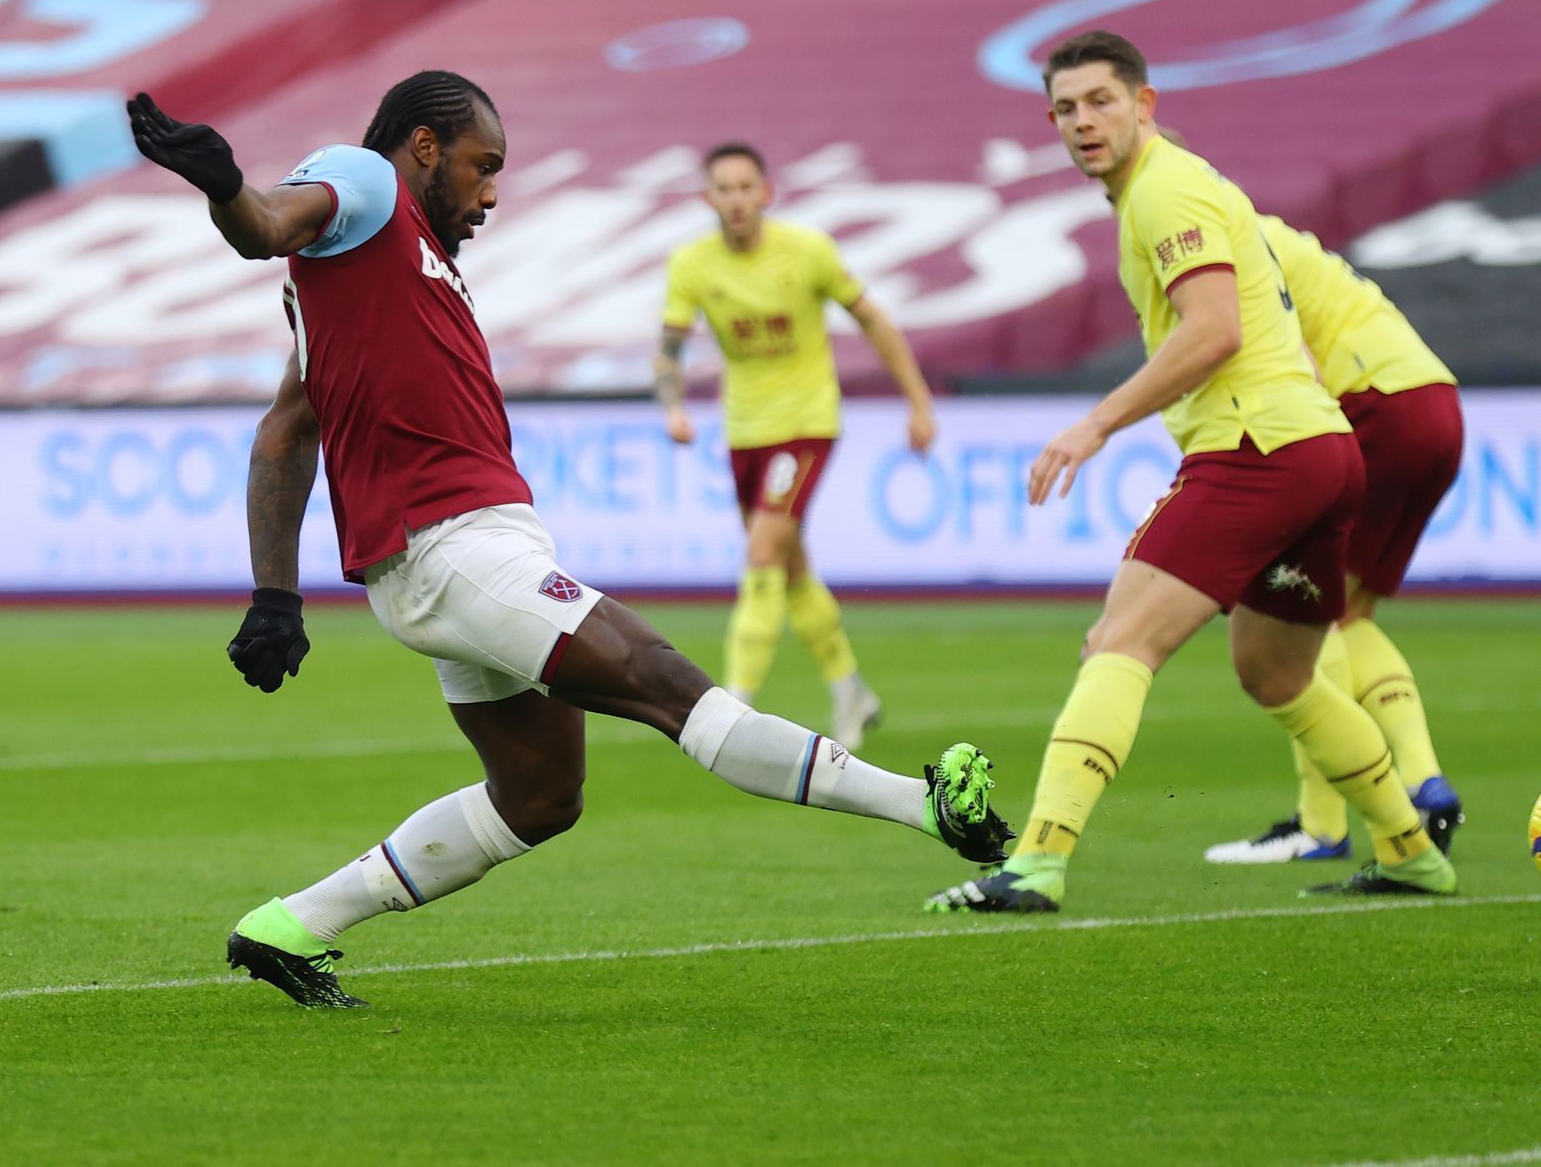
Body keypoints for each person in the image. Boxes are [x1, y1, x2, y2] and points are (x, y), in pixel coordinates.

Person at [126, 74, 1009, 1008]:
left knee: (541, 795)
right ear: (424, 147)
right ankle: (927, 807)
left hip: (462, 556)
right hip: (455, 550)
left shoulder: (366, 278)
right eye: (483, 165)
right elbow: (266, 225)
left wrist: (277, 596)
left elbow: (286, 429)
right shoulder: (368, 182)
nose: (492, 192)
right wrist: (227, 189)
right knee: (671, 686)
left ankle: (287, 928)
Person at [925, 32, 1457, 914]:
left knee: (1119, 641)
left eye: (1101, 101)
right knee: (1278, 673)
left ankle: (1037, 862)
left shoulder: (1163, 189)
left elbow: (1214, 331)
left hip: (1257, 450)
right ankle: (1409, 850)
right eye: (1066, 108)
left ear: (1145, 104)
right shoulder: (1166, 186)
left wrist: (1095, 424)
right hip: (1322, 452)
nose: (1083, 121)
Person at [656, 144, 937, 750]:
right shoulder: (692, 264)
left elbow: (875, 320)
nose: (735, 200)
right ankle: (851, 692)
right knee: (789, 566)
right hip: (745, 430)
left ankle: (732, 707)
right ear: (708, 198)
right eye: (723, 189)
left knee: (761, 555)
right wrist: (672, 404)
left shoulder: (808, 252)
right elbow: (670, 347)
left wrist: (917, 400)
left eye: (745, 187)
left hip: (807, 423)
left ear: (766, 193)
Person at [1204, 213, 1465, 864]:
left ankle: (1321, 826)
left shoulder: (1214, 240)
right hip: (1430, 397)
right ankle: (1423, 781)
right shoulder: (1252, 225)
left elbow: (1292, 363)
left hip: (1369, 401)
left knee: (1301, 616)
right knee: (1347, 614)